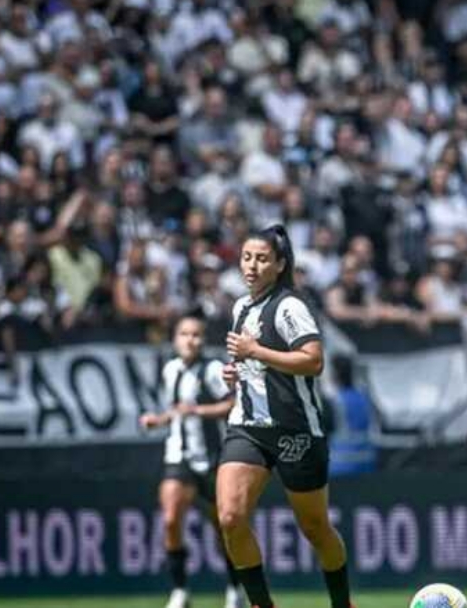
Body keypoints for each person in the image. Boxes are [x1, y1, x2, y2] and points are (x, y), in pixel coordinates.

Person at [218, 225, 354, 608]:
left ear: (279, 264)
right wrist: (235, 372)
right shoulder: (239, 307)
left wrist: (255, 351)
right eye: (246, 257)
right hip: (247, 427)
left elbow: (313, 361)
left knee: (315, 528)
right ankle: (263, 604)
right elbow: (249, 361)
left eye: (262, 258)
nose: (252, 265)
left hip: (296, 430)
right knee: (230, 517)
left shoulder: (290, 306)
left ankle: (342, 603)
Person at [138, 315, 244, 608]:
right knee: (171, 519)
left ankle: (235, 587)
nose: (190, 340)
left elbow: (233, 404)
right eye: (184, 334)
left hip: (211, 460)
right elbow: (177, 411)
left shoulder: (212, 370)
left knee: (224, 528)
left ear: (204, 340)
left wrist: (197, 411)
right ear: (175, 339)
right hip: (179, 455)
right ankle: (180, 590)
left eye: (196, 334)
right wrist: (157, 421)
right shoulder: (170, 369)